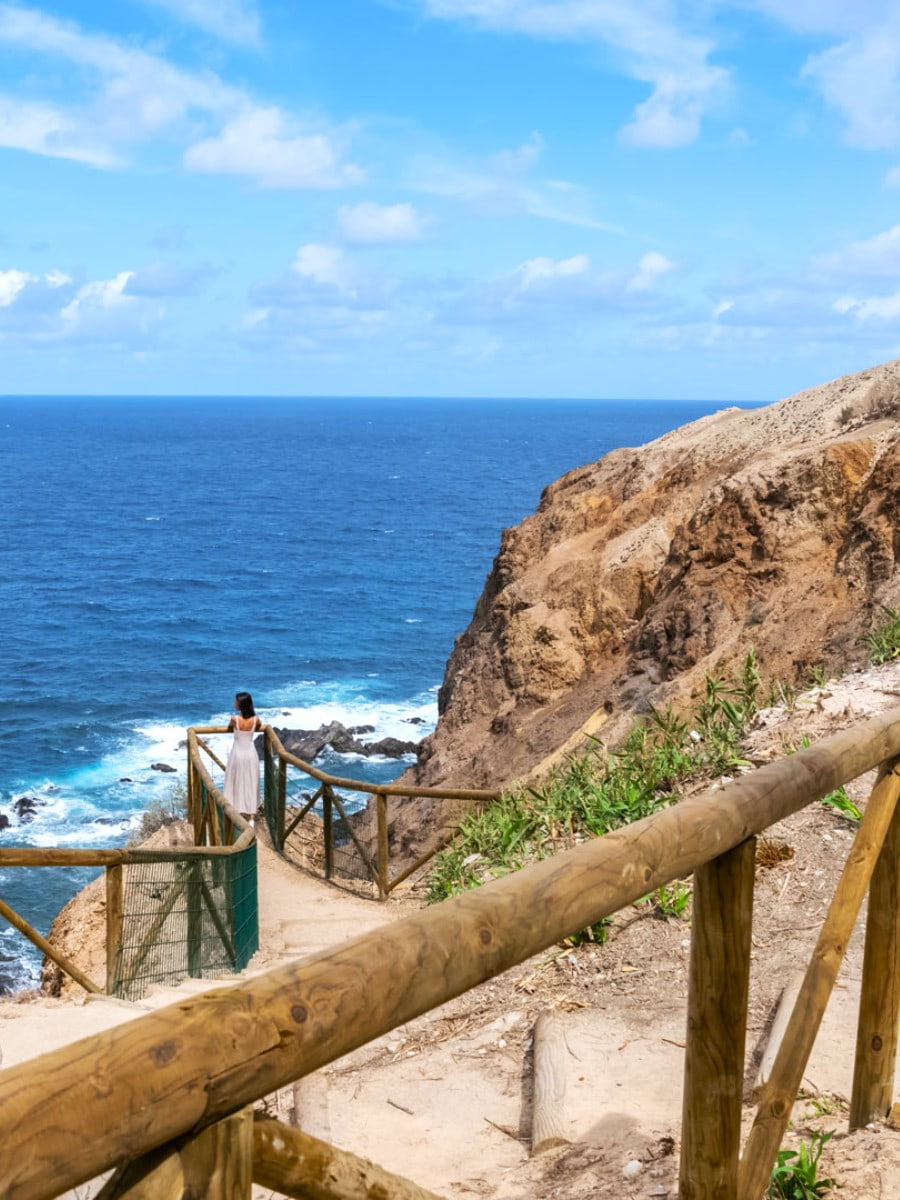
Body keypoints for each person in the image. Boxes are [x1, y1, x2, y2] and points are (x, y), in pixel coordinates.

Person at [224, 691, 260, 824]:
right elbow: (258, 727)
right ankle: (252, 817)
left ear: (241, 704)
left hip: (237, 753)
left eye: (236, 701)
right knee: (251, 781)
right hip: (250, 753)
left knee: (235, 780)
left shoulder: (235, 719)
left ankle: (235, 812)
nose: (234, 703)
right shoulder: (256, 720)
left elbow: (230, 727)